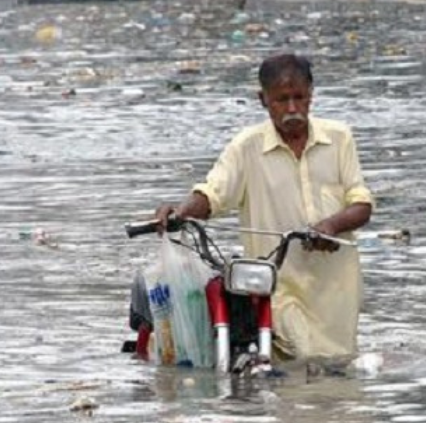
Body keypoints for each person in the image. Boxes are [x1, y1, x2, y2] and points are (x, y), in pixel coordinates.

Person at [152, 54, 374, 359]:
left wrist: (331, 226)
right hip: (275, 285)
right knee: (300, 357)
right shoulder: (247, 146)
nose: (293, 108)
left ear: (312, 95)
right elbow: (212, 193)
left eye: (299, 97)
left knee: (336, 373)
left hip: (335, 289)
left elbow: (361, 203)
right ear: (263, 99)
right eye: (282, 100)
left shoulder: (339, 138)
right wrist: (179, 212)